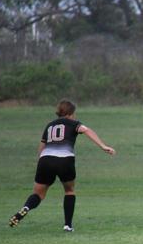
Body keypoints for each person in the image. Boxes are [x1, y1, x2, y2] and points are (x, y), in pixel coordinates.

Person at [9, 99, 115, 231]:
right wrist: (103, 146)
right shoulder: (73, 123)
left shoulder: (49, 125)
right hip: (65, 159)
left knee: (38, 194)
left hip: (45, 159)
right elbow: (87, 130)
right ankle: (68, 225)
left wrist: (42, 163)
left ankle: (25, 208)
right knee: (69, 191)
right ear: (70, 113)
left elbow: (41, 147)